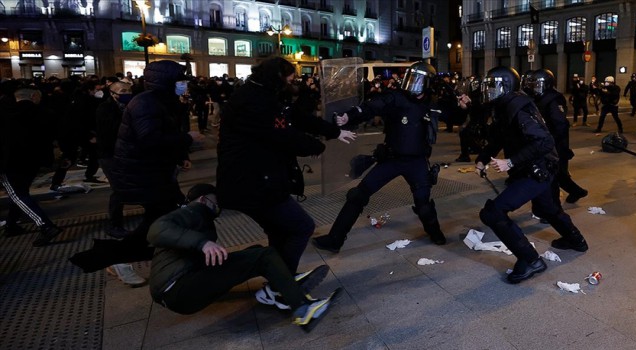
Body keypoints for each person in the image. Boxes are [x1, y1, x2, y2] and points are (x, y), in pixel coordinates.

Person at [216, 56, 355, 276]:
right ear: (277, 78)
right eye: (290, 80)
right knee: (302, 226)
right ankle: (283, 283)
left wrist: (334, 132)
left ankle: (277, 278)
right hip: (254, 181)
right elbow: (283, 134)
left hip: (258, 179)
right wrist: (315, 146)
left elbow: (297, 118)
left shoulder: (265, 94)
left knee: (279, 231)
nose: (293, 84)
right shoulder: (255, 101)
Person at [69, 60, 204, 272]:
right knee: (168, 214)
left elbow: (163, 132)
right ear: (165, 81)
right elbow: (149, 138)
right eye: (180, 81)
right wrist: (186, 138)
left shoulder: (164, 101)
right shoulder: (146, 103)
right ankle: (121, 259)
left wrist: (180, 155)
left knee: (162, 215)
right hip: (144, 174)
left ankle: (127, 256)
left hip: (154, 173)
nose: (184, 84)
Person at [147, 183, 339, 329]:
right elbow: (156, 230)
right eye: (216, 203)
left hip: (179, 288)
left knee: (254, 253)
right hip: (178, 288)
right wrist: (203, 243)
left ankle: (282, 283)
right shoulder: (192, 211)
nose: (218, 208)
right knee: (264, 256)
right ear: (204, 200)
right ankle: (303, 309)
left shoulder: (197, 216)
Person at [313, 61, 447, 253]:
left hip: (417, 162)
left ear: (427, 84)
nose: (413, 84)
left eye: (418, 80)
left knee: (423, 205)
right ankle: (335, 239)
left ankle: (435, 233)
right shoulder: (396, 97)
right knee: (357, 195)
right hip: (391, 159)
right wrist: (349, 117)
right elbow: (372, 106)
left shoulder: (431, 105)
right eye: (411, 78)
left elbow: (454, 116)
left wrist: (463, 106)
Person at [475, 66, 588, 284]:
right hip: (534, 168)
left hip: (537, 169)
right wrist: (482, 158)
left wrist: (510, 161)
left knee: (493, 213)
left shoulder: (519, 107)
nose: (489, 91)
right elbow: (498, 138)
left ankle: (531, 260)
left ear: (506, 86)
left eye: (493, 86)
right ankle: (576, 240)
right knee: (548, 208)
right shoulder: (503, 106)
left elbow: (544, 141)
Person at [95, 81, 146, 287]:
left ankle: (120, 258)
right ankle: (114, 227)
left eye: (129, 91)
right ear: (112, 93)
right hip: (111, 155)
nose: (126, 94)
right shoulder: (105, 108)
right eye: (122, 91)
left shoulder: (133, 106)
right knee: (120, 190)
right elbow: (112, 132)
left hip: (130, 156)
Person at [0, 87, 63, 246]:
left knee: (17, 194)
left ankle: (45, 225)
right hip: (33, 161)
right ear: (34, 96)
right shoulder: (45, 113)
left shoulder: (5, 114)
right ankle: (11, 224)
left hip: (9, 161)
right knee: (22, 192)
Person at [528, 69, 588, 204]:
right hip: (544, 142)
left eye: (537, 84)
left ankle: (553, 208)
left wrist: (555, 145)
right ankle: (576, 191)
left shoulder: (554, 98)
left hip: (554, 143)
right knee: (557, 174)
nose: (535, 87)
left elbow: (560, 124)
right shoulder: (537, 98)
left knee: (552, 177)